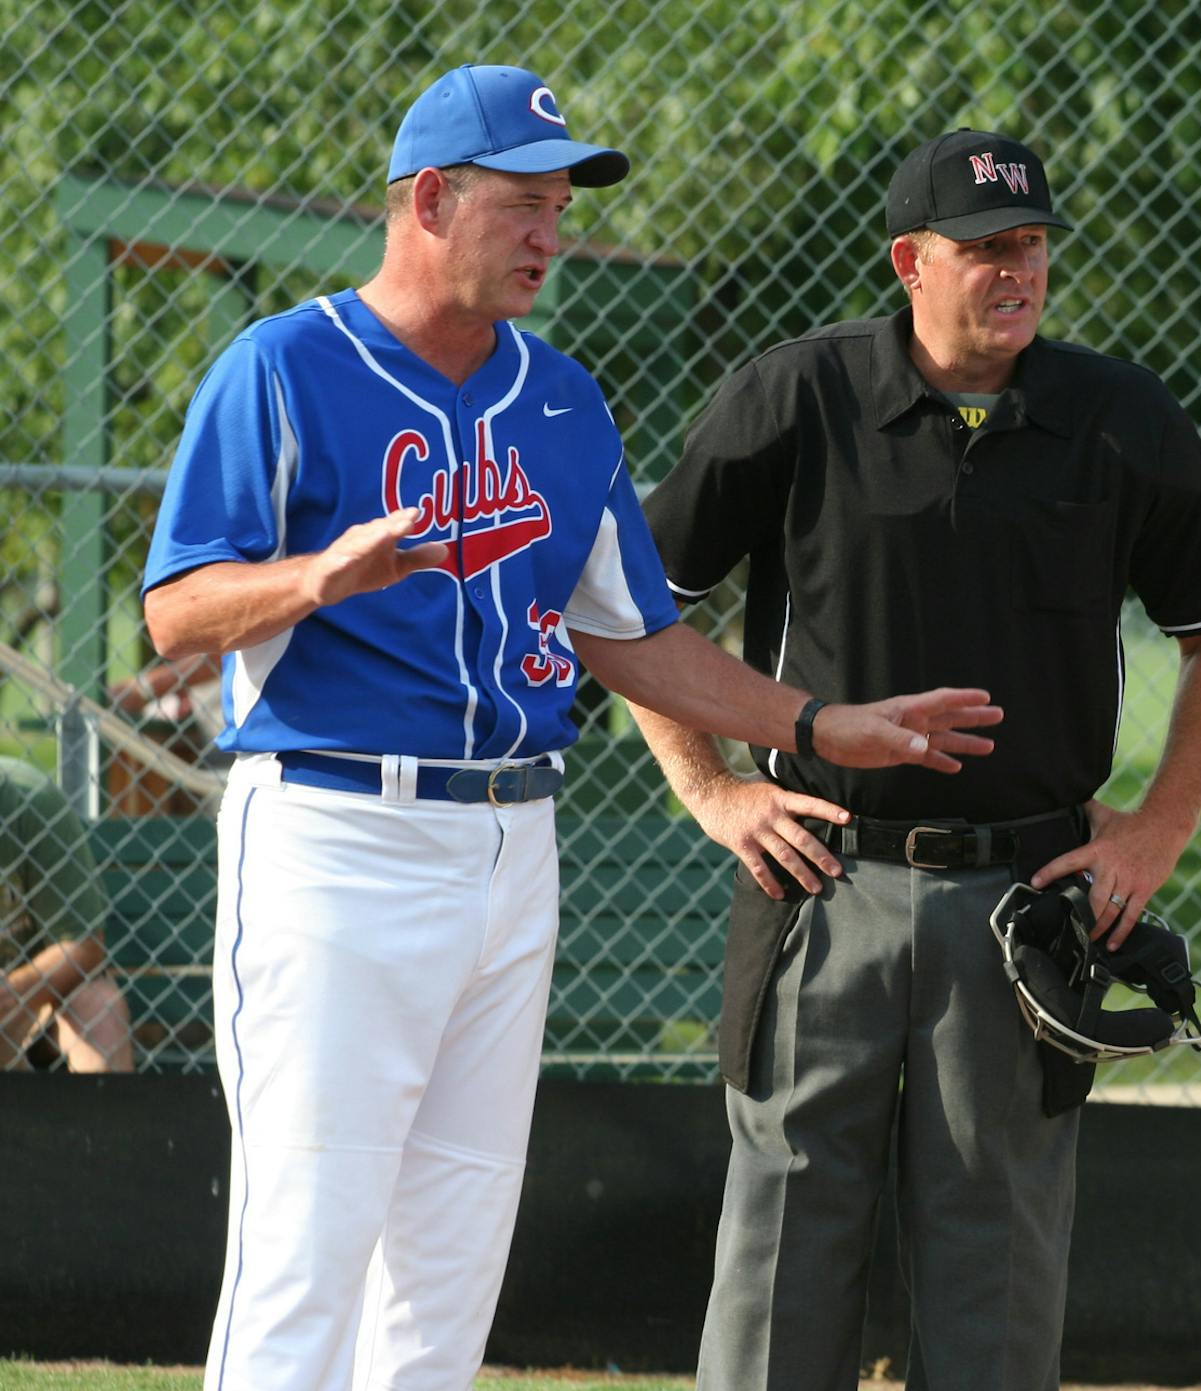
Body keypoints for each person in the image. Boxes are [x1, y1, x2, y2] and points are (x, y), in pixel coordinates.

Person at [142, 67, 1000, 1391]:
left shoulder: (562, 398)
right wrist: (314, 578)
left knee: (452, 1252)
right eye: (524, 205)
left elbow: (634, 638)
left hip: (509, 838)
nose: (554, 234)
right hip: (335, 833)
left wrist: (826, 721)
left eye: (561, 207)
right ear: (430, 200)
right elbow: (176, 612)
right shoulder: (286, 368)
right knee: (307, 1246)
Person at [632, 128, 1201, 1391]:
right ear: (911, 259)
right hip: (822, 878)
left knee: (998, 1274)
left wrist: (1157, 828)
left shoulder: (1118, 417)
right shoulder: (797, 397)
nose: (1015, 270)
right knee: (781, 1265)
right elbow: (642, 612)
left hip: (1025, 898)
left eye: (1030, 244)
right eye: (983, 249)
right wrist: (711, 787)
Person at [0, 756, 133, 1073]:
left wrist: (14, 991)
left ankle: (105, 1122)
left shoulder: (29, 799)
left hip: (36, 1000)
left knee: (102, 1010)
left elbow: (82, 944)